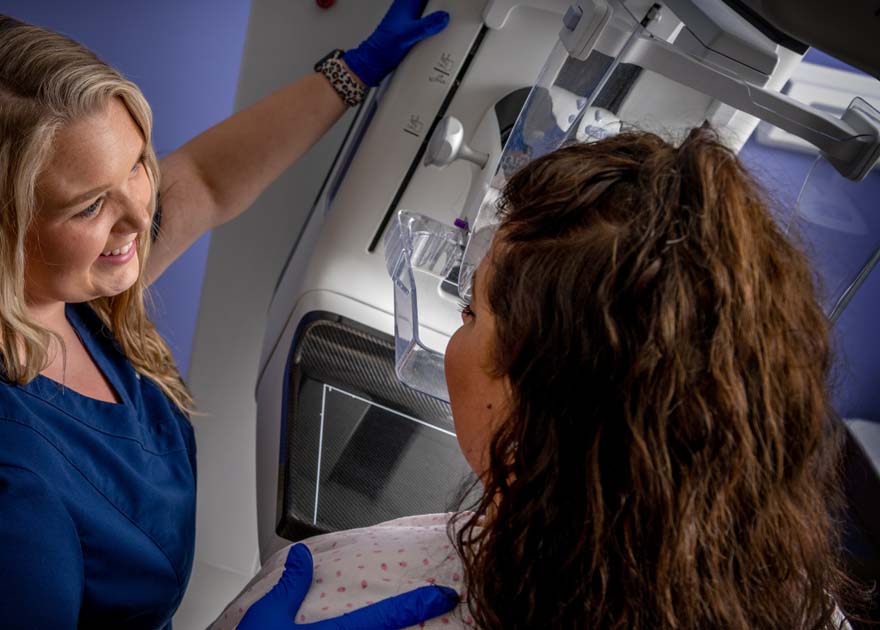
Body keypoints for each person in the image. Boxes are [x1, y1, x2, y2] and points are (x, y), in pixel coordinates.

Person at [0, 4, 460, 629]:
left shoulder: (40, 286)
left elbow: (201, 182)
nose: (140, 216)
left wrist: (356, 70)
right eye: (90, 205)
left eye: (138, 163)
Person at [215, 128, 859, 629]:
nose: (455, 328)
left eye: (470, 310)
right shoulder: (804, 603)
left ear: (536, 425)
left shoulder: (335, 593)